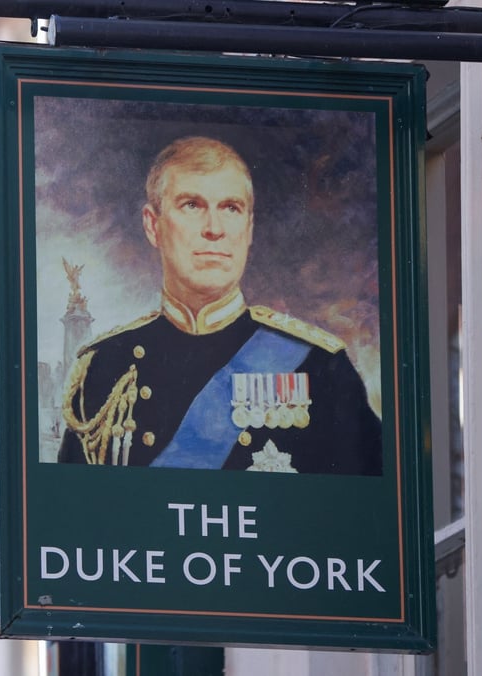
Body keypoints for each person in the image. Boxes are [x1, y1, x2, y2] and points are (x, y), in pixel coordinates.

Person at [58, 136, 382, 475]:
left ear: (249, 228)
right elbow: (71, 515)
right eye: (192, 205)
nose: (214, 229)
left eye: (231, 208)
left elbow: (368, 514)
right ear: (153, 226)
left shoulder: (318, 365)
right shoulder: (105, 367)